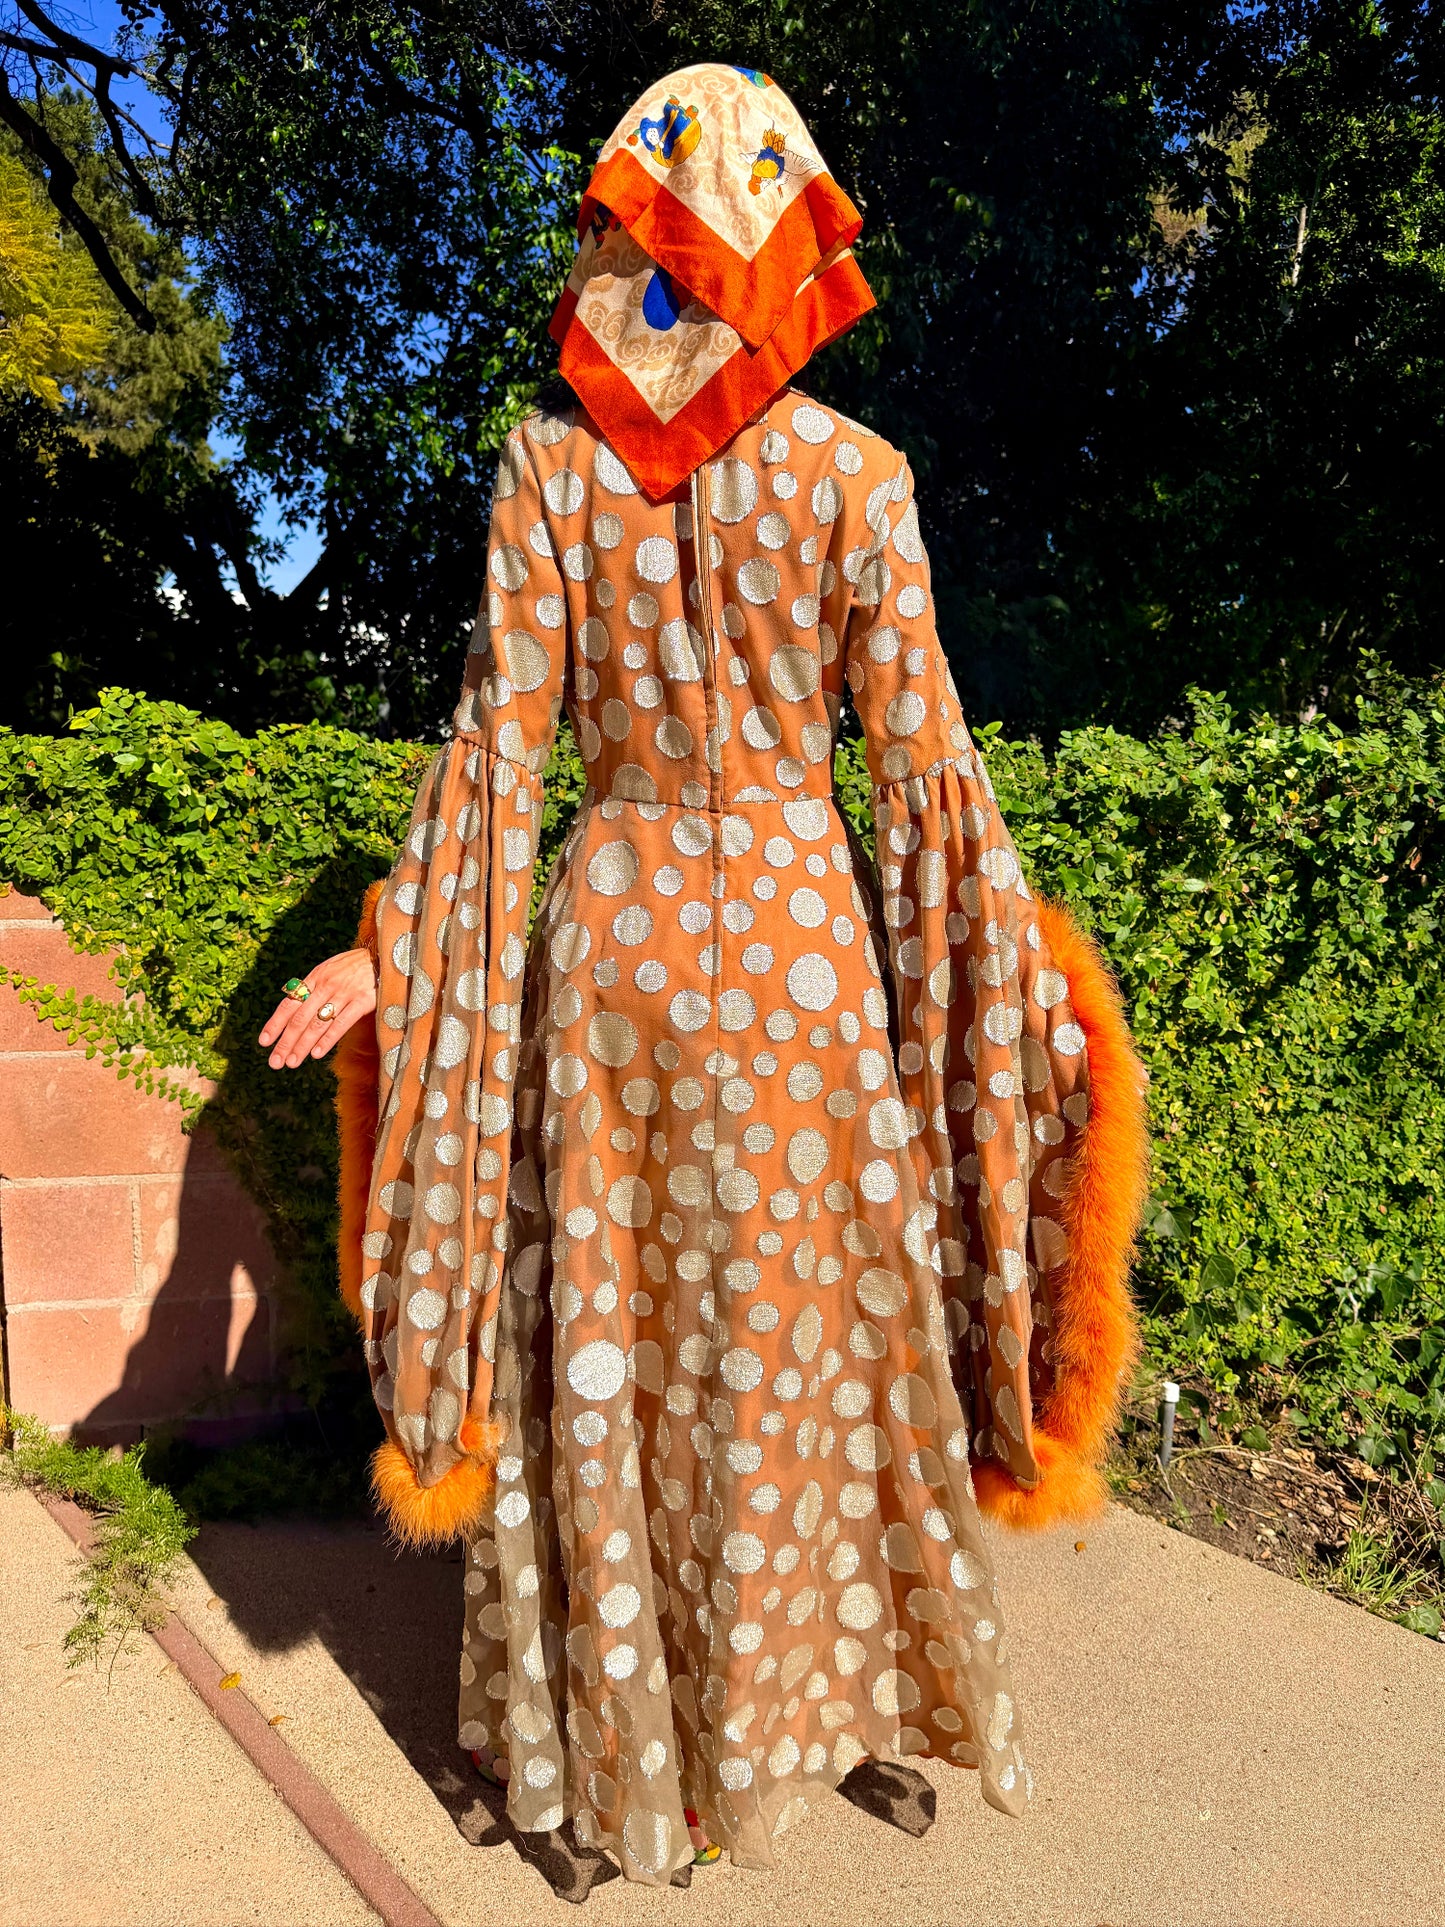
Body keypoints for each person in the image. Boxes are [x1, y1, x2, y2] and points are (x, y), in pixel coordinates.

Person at [259, 62, 1148, 1889]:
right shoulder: (858, 479)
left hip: (616, 956)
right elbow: (922, 776)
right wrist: (1017, 978)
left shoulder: (546, 472)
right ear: (788, 235)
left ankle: (619, 1746)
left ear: (635, 226)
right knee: (806, 1349)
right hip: (803, 966)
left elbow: (496, 760)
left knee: (608, 1350)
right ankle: (793, 1709)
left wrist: (404, 953)